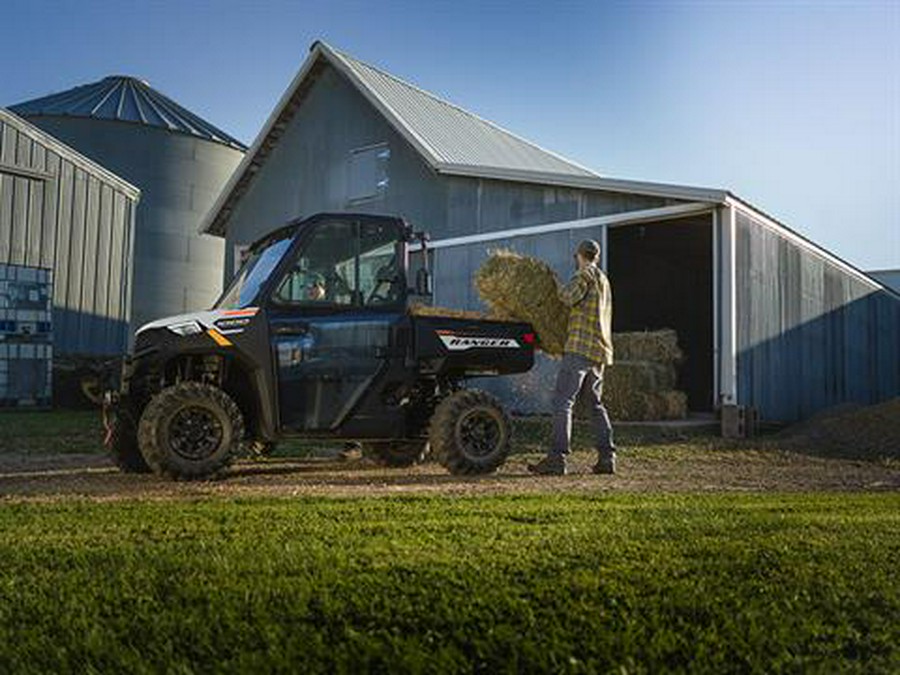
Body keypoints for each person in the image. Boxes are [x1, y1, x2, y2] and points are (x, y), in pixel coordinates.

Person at [528, 239, 616, 476]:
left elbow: (567, 298)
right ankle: (607, 458)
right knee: (595, 405)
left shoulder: (584, 275)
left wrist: (554, 285)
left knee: (563, 402)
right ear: (596, 256)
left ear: (579, 255)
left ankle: (557, 459)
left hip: (579, 348)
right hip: (599, 352)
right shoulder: (604, 280)